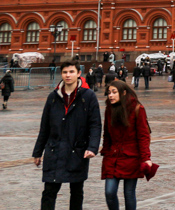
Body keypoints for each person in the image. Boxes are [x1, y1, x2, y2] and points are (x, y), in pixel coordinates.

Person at [32, 61, 102, 210]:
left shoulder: (88, 96)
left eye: (71, 72)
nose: (68, 75)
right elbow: (44, 127)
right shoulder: (53, 97)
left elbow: (95, 124)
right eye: (65, 72)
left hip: (77, 151)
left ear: (78, 74)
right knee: (49, 191)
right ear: (61, 74)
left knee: (76, 192)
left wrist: (92, 147)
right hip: (54, 150)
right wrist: (38, 152)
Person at [101, 80, 153, 210]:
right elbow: (106, 133)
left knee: (129, 193)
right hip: (113, 156)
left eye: (114, 92)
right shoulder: (109, 108)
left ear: (123, 93)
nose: (110, 96)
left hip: (131, 156)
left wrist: (146, 158)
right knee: (109, 192)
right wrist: (106, 150)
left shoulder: (137, 108)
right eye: (109, 93)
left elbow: (143, 136)